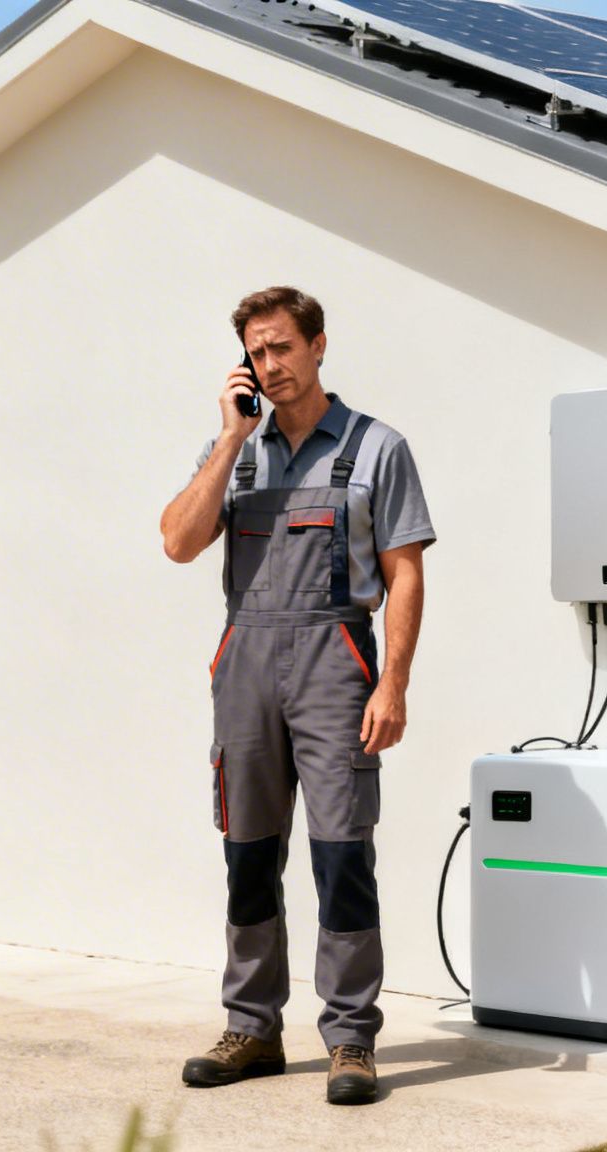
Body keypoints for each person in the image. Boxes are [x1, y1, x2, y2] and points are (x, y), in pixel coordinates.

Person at [158, 286, 434, 1105]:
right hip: (244, 661)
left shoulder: (378, 448)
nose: (269, 365)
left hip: (336, 662)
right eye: (256, 351)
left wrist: (394, 681)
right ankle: (252, 1028)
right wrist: (230, 435)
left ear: (317, 346)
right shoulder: (234, 452)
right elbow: (177, 541)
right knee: (247, 854)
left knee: (342, 855)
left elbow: (406, 570)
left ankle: (350, 1040)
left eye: (281, 347)